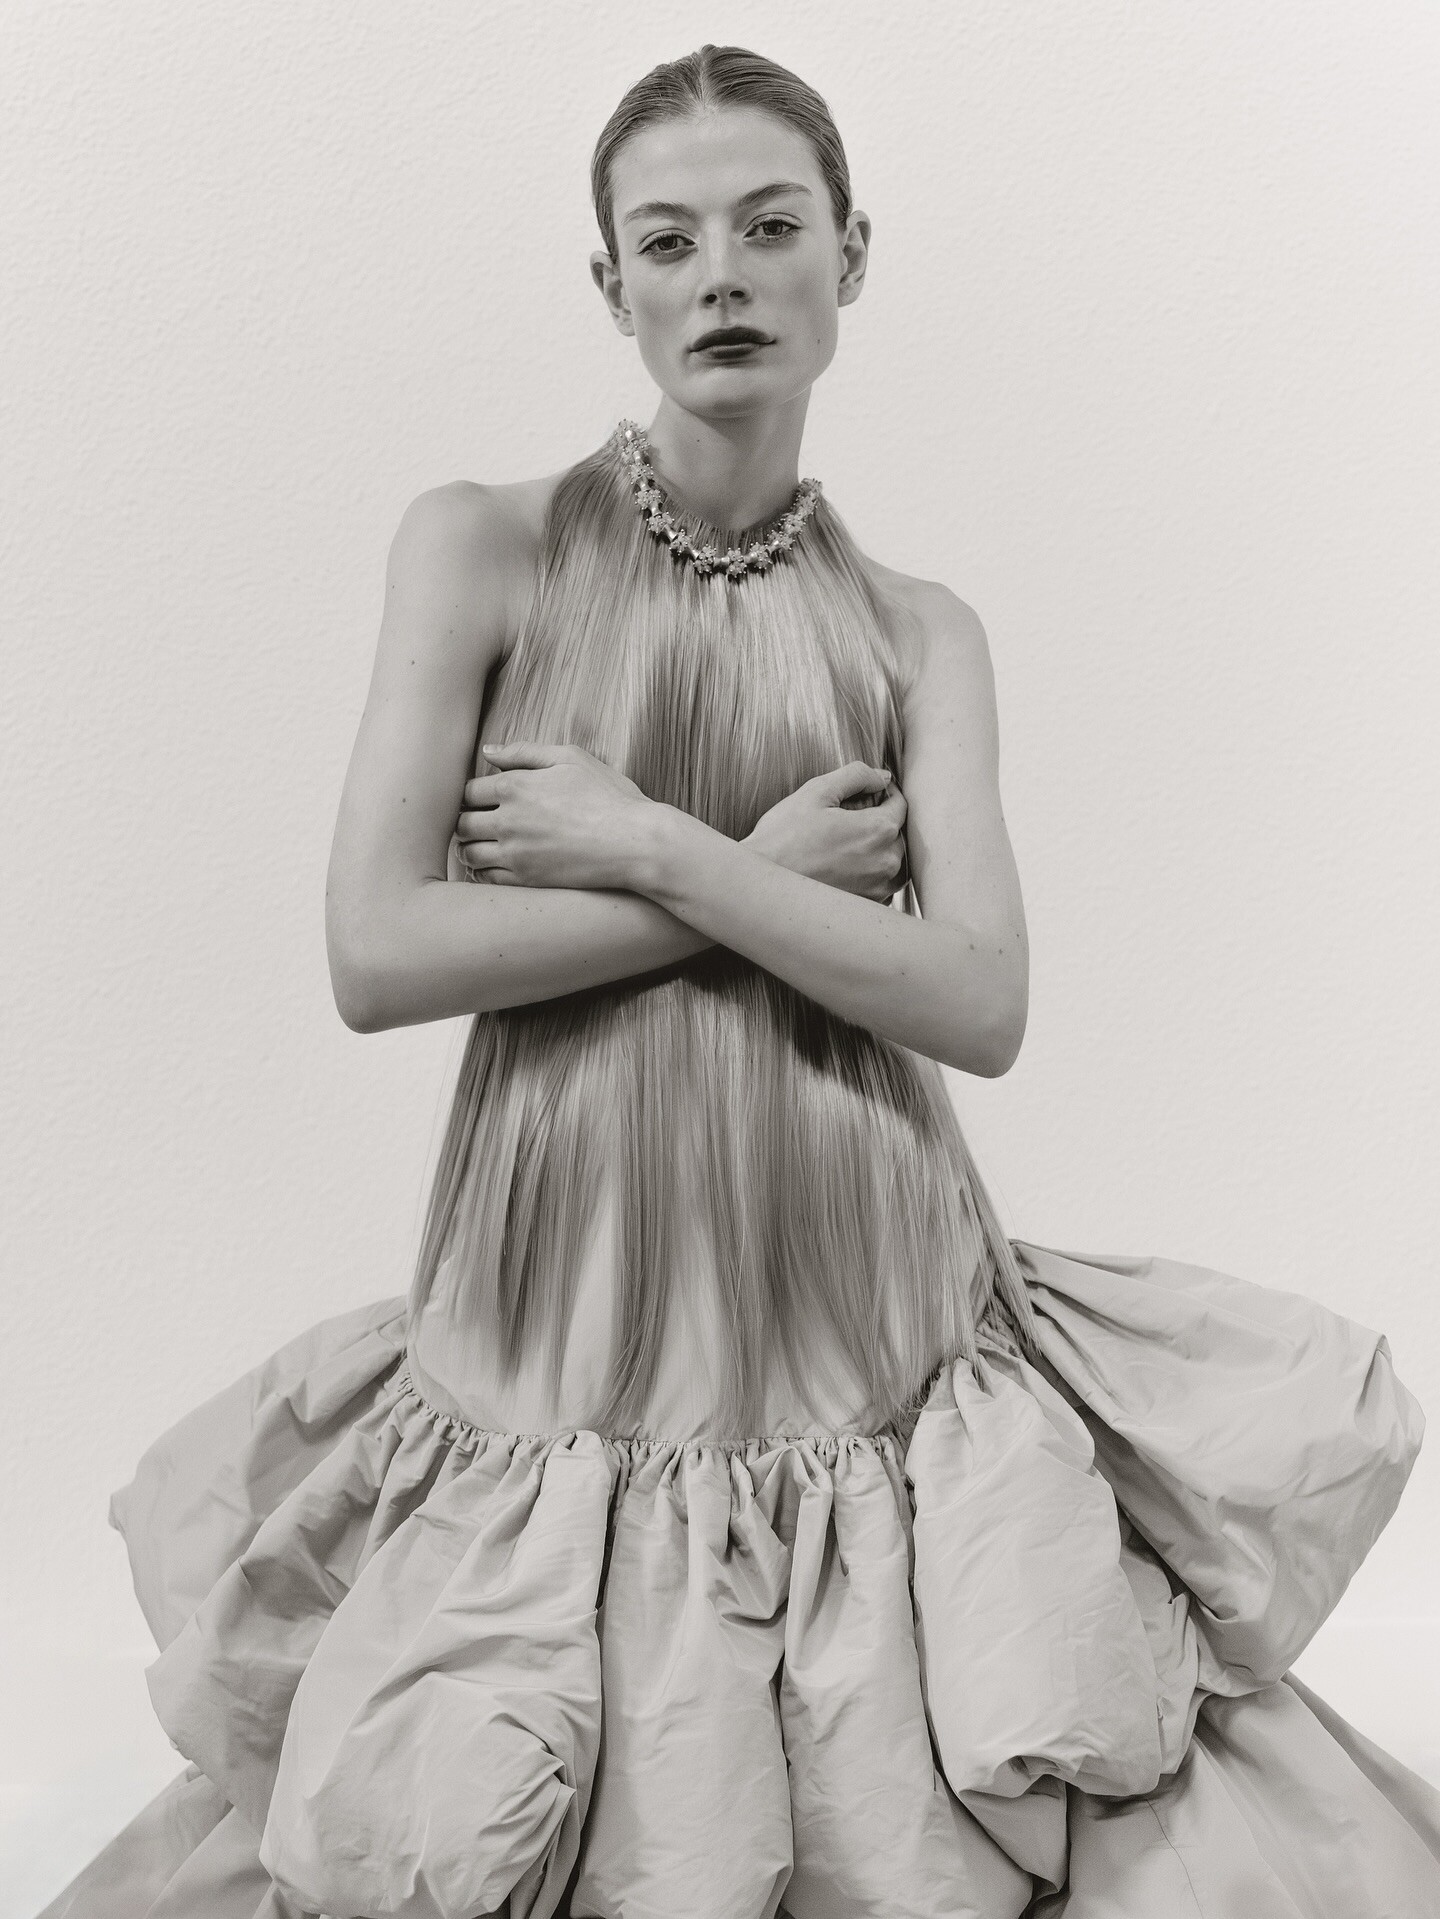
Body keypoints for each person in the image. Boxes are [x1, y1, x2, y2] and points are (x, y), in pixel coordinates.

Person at [40, 43, 1439, 1919]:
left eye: (772, 228)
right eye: (669, 239)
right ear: (607, 282)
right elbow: (377, 952)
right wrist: (762, 881)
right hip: (571, 1275)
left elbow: (980, 1003)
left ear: (850, 257)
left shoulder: (921, 631)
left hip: (863, 1270)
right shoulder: (481, 546)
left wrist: (656, 846)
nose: (722, 277)